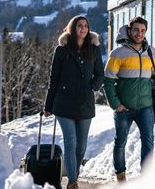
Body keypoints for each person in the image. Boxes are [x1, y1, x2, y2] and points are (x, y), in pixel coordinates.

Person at [104, 16, 155, 182]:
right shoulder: (118, 53)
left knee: (148, 141)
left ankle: (146, 178)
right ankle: (120, 175)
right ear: (129, 30)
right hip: (123, 108)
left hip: (145, 106)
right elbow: (108, 80)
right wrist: (116, 104)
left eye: (142, 30)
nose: (139, 33)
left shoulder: (151, 51)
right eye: (136, 30)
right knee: (120, 142)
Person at [44, 15, 104, 189]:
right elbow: (53, 79)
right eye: (79, 26)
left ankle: (74, 174)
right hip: (63, 103)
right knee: (71, 142)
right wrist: (48, 106)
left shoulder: (93, 49)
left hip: (85, 103)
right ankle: (72, 182)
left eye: (86, 26)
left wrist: (92, 86)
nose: (83, 29)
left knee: (81, 146)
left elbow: (100, 73)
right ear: (73, 28)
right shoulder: (61, 50)